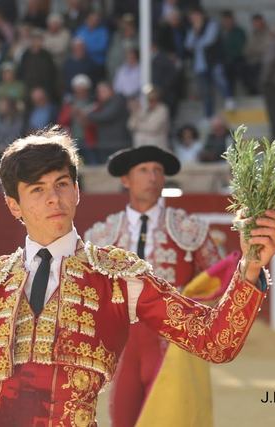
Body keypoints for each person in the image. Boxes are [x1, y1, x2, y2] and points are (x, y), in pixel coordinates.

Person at [0, 128, 275, 426]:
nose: (54, 199)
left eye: (62, 183)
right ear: (13, 205)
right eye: (37, 190)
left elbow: (214, 341)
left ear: (77, 189)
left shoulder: (120, 277)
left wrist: (250, 268)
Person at [84, 145, 235, 427]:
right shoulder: (102, 235)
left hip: (171, 342)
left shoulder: (189, 229)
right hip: (122, 345)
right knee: (123, 418)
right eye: (143, 170)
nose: (152, 177)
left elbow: (218, 281)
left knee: (170, 417)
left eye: (157, 171)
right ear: (126, 180)